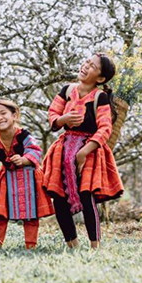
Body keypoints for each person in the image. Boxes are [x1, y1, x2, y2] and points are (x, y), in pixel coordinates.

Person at [42, 53, 124, 248]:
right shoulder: (67, 90)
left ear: (101, 78)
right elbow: (53, 114)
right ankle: (73, 245)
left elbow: (105, 128)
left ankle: (95, 246)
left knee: (87, 197)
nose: (86, 66)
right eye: (86, 62)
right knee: (59, 197)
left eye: (92, 66)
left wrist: (83, 153)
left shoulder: (100, 97)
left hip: (89, 152)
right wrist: (64, 120)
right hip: (63, 150)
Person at [0, 98, 53, 249]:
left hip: (29, 179)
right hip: (6, 180)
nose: (0, 118)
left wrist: (25, 159)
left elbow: (35, 150)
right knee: (0, 214)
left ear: (14, 115)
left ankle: (31, 245)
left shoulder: (23, 135)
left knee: (31, 214)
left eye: (3, 113)